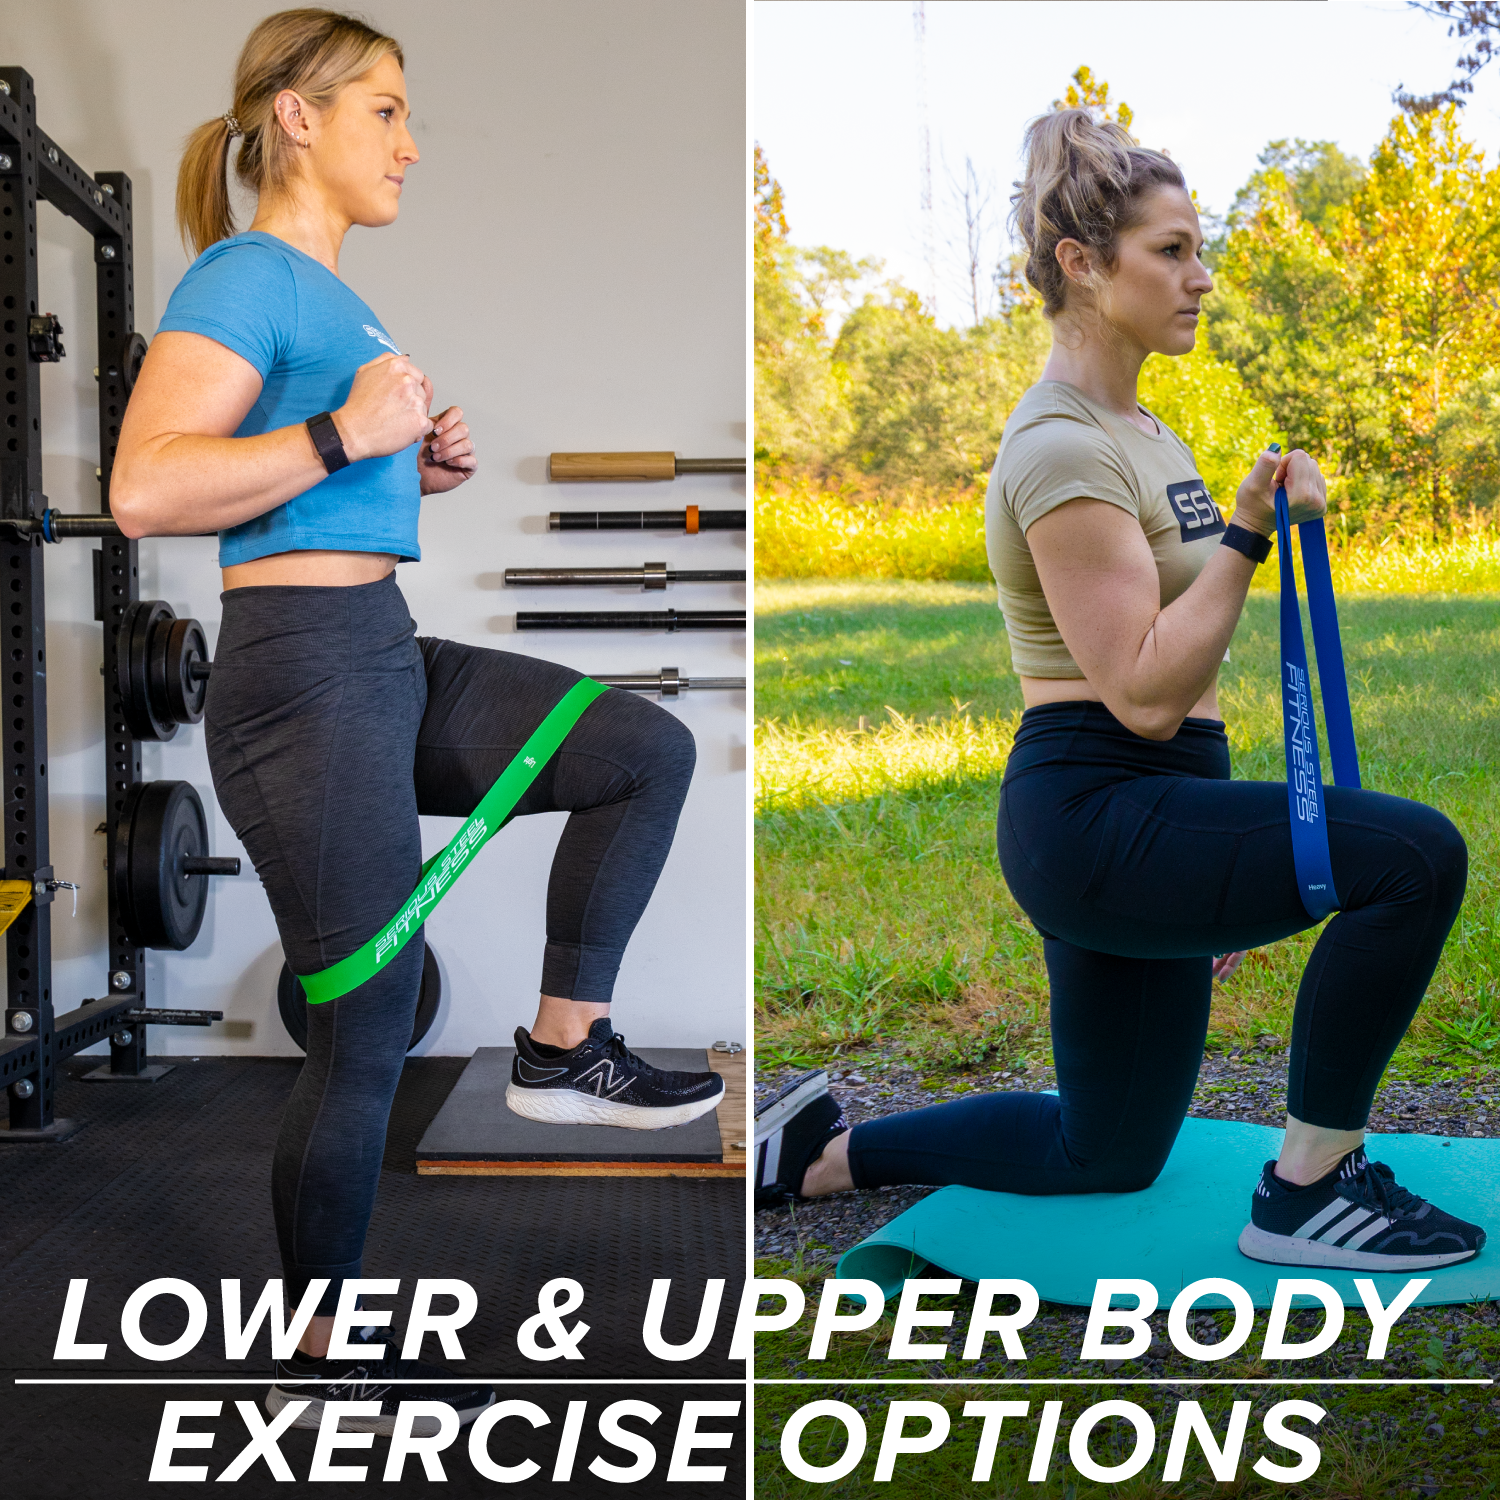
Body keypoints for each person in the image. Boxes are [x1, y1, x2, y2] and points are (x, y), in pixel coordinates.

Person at [113, 9, 722, 1436]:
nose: (411, 140)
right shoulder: (243, 275)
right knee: (370, 1023)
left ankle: (568, 1042)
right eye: (383, 109)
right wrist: (343, 438)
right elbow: (149, 489)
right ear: (296, 117)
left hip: (379, 647)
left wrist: (410, 474)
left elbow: (292, 487)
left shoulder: (342, 304)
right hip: (300, 674)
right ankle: (317, 1353)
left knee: (641, 748)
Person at [755, 108, 1486, 1274]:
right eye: (1173, 250)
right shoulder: (1056, 448)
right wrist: (1248, 533)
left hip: (1149, 815)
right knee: (1416, 858)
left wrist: (1201, 871)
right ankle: (1309, 1193)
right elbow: (1142, 692)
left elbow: (1179, 658)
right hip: (1098, 813)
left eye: (1200, 250)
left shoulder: (1143, 429)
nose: (1202, 278)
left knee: (1107, 1149)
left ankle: (814, 1158)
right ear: (1082, 267)